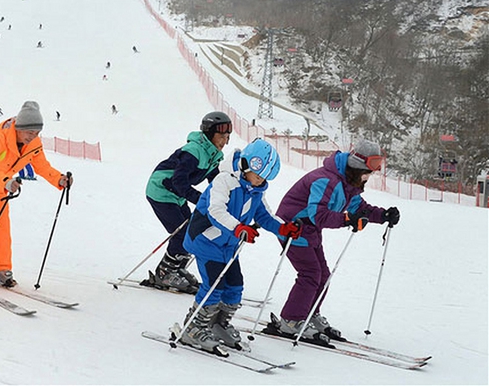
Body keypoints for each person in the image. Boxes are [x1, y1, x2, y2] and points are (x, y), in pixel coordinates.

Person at [268, 139, 400, 343]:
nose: (368, 177)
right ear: (357, 167)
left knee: (323, 275)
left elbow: (359, 208)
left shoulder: (350, 184)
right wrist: (347, 219)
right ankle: (291, 320)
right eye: (367, 172)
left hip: (310, 232)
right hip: (293, 228)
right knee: (310, 274)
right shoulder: (326, 180)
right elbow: (317, 214)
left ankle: (310, 312)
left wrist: (383, 215)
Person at [178, 139, 302, 353]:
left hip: (228, 246)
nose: (260, 181)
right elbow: (216, 211)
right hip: (207, 240)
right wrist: (238, 228)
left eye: (264, 178)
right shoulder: (224, 181)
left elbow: (264, 215)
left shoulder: (255, 189)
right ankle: (194, 327)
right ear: (245, 165)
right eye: (258, 175)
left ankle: (219, 325)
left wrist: (283, 229)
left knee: (235, 286)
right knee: (214, 286)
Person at [0, 101, 72, 290]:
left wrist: (59, 179)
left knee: (2, 225)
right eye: (29, 132)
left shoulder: (33, 142)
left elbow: (41, 165)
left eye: (36, 133)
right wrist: (7, 182)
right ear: (18, 127)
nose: (32, 137)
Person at [143, 111, 232, 294]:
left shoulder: (212, 154)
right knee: (181, 233)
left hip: (175, 194)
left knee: (192, 231)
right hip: (161, 191)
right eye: (221, 136)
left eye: (227, 136)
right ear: (209, 134)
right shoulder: (194, 151)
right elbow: (178, 181)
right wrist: (200, 199)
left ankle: (176, 269)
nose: (225, 141)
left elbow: (215, 182)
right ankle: (166, 273)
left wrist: (224, 200)